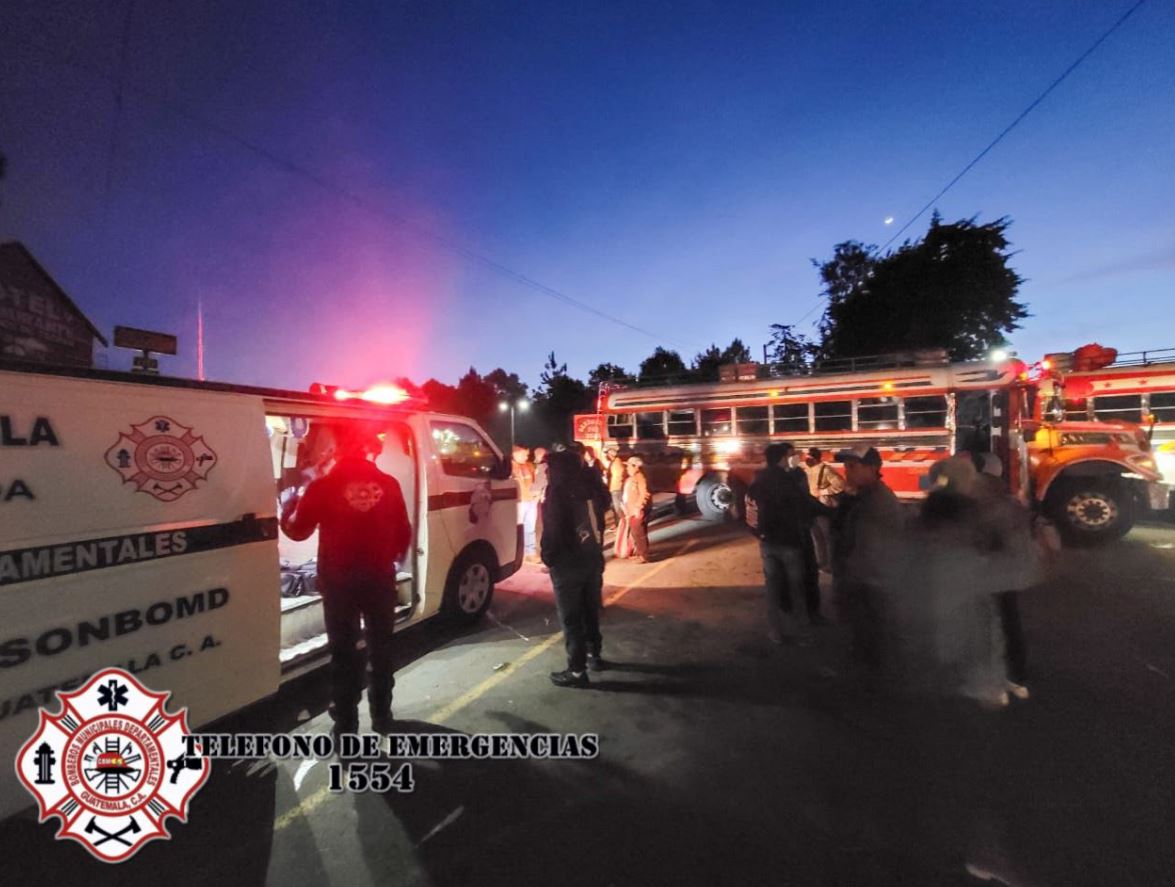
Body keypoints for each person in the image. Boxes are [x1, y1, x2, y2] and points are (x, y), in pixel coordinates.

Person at [280, 427, 411, 738]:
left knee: (344, 653)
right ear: (369, 450)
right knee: (381, 649)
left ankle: (346, 724)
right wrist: (385, 557)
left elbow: (298, 531)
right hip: (379, 579)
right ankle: (382, 716)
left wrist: (287, 508)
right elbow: (404, 532)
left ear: (337, 451)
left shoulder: (323, 486)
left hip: (339, 582)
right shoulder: (389, 484)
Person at [971, 452, 1042, 701]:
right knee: (1010, 624)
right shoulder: (1011, 501)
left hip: (991, 576)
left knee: (989, 628)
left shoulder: (987, 504)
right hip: (1012, 576)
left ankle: (995, 686)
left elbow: (981, 542)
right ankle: (1017, 679)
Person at [831, 444, 903, 672]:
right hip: (865, 583)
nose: (846, 472)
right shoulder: (862, 498)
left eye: (852, 466)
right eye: (845, 466)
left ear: (872, 468)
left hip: (870, 585)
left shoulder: (877, 502)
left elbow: (867, 548)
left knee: (873, 643)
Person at [543, 450, 610, 687]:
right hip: (593, 559)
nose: (546, 472)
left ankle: (577, 671)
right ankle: (595, 655)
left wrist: (549, 557)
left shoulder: (558, 492)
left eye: (549, 468)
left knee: (571, 618)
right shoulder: (591, 486)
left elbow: (553, 530)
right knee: (591, 610)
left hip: (568, 564)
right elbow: (605, 510)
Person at [748, 443, 824, 644]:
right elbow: (805, 503)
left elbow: (750, 507)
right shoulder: (786, 480)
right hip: (789, 541)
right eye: (789, 455)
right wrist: (831, 512)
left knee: (772, 588)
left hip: (767, 543)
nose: (794, 458)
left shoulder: (759, 479)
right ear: (782, 458)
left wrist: (758, 533)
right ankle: (802, 632)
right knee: (796, 587)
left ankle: (775, 632)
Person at [803, 447, 844, 572]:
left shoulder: (826, 470)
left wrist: (823, 491)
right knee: (817, 537)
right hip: (811, 507)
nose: (806, 459)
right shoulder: (807, 470)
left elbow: (841, 484)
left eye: (808, 457)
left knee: (827, 537)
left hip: (823, 506)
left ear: (815, 458)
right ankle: (821, 563)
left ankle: (831, 564)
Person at [622, 455, 653, 562]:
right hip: (631, 510)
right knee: (636, 532)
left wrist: (638, 507)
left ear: (636, 467)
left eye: (629, 466)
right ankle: (640, 552)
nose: (627, 468)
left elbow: (644, 493)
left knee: (639, 532)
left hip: (637, 510)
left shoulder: (640, 477)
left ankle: (643, 555)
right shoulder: (632, 478)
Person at [580, 445, 611, 547]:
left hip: (594, 500)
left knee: (597, 525)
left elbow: (600, 485)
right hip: (590, 501)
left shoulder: (594, 466)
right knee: (593, 525)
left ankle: (597, 545)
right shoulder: (584, 468)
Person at [512, 446, 537, 559]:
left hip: (531, 501)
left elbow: (534, 481)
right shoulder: (509, 467)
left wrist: (537, 495)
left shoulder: (529, 465)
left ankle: (530, 552)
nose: (526, 457)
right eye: (523, 454)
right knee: (517, 529)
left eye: (527, 454)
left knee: (530, 528)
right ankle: (515, 553)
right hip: (518, 502)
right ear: (514, 453)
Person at [604, 444, 627, 529]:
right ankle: (618, 524)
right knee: (614, 507)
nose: (606, 455)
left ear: (611, 454)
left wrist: (615, 484)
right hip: (613, 488)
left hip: (616, 488)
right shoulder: (613, 462)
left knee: (618, 507)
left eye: (607, 453)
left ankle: (622, 524)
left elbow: (619, 475)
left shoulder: (617, 462)